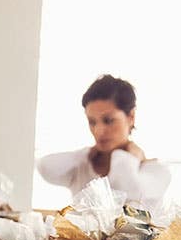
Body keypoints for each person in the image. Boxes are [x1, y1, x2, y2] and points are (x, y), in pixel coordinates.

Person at [37, 74, 170, 205]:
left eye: (109, 120)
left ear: (131, 117)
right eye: (92, 122)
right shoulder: (82, 165)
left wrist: (131, 156)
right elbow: (45, 166)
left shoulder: (156, 171)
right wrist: (85, 153)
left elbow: (125, 194)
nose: (98, 131)